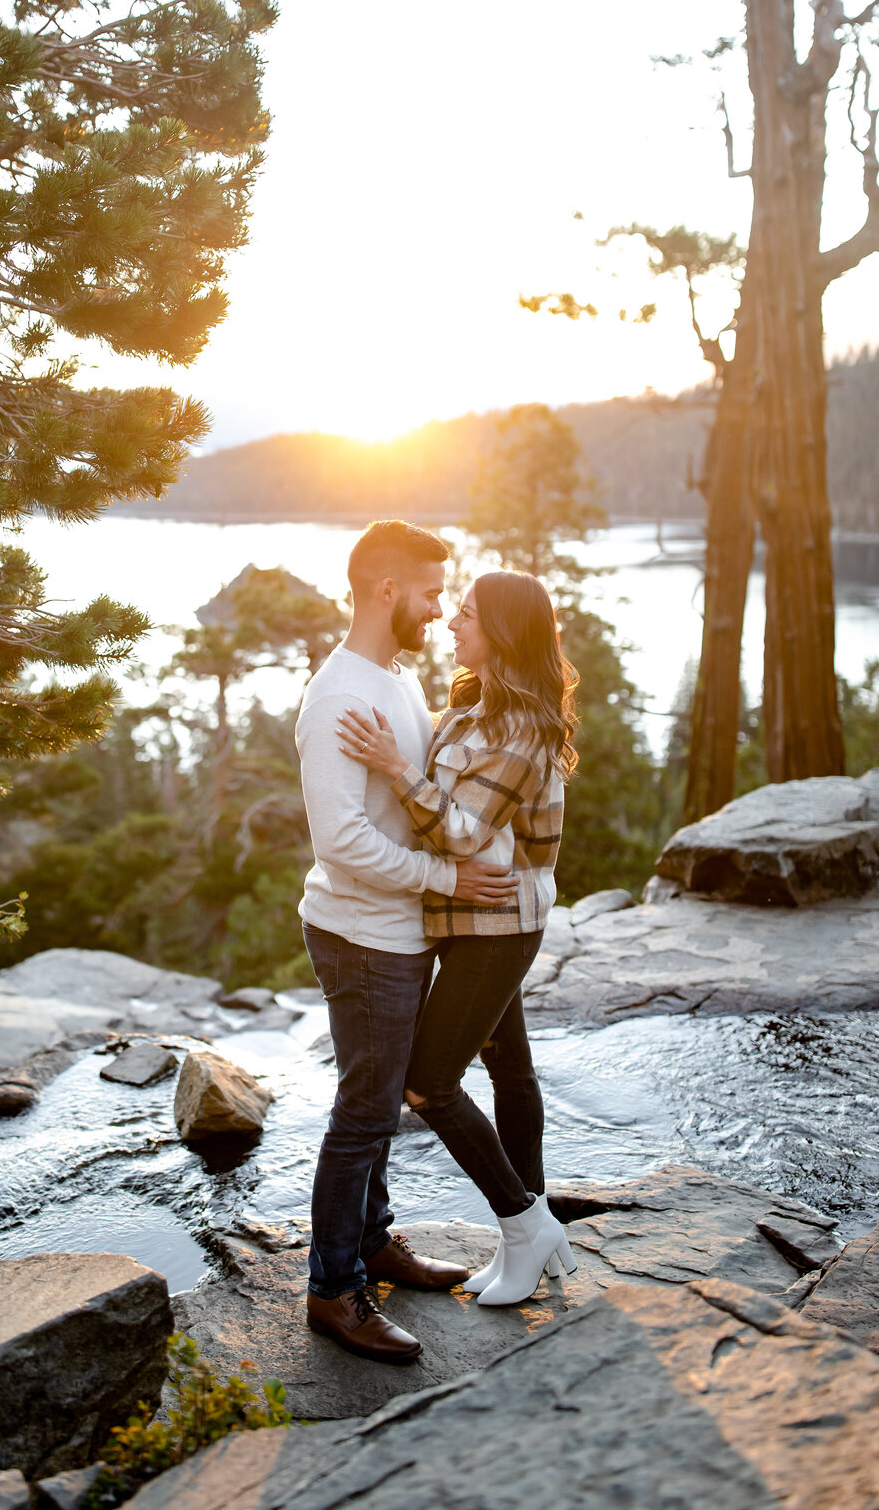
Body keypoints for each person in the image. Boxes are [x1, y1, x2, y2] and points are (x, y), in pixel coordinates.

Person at [296, 521, 521, 1363]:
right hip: (361, 935)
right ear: (386, 591)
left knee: (380, 1103)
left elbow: (415, 794)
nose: (439, 607)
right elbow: (341, 843)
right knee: (363, 1111)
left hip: (397, 932)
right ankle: (333, 1289)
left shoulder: (395, 676)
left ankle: (375, 1244)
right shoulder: (337, 699)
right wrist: (449, 882)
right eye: (432, 592)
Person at [337, 568, 579, 1307]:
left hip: (498, 925)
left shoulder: (524, 728)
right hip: (470, 920)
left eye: (466, 614)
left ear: (501, 630)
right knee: (510, 1070)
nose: (451, 624)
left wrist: (393, 769)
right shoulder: (472, 706)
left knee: (429, 1084)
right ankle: (529, 1233)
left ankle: (524, 1222)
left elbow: (469, 833)